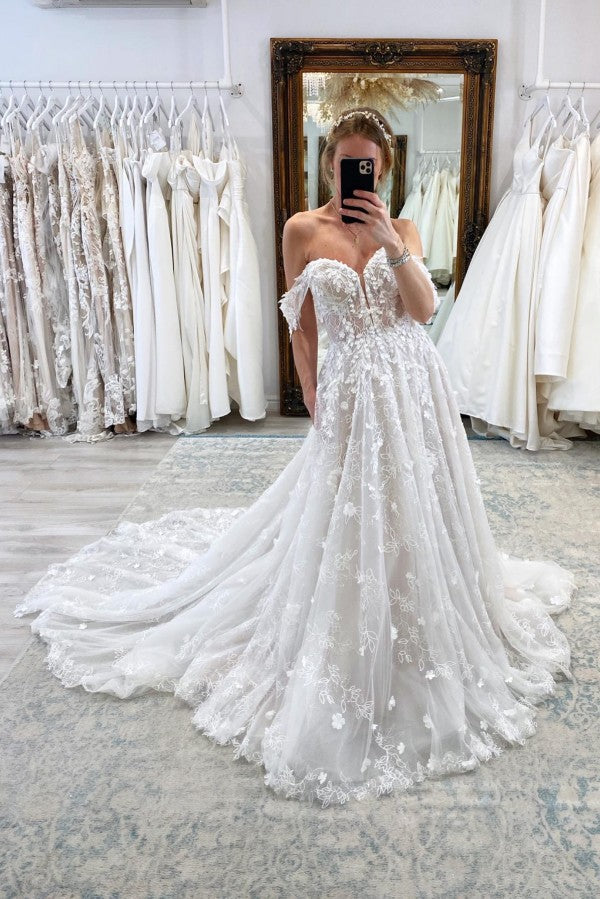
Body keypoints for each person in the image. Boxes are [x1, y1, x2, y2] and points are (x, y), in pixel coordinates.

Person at [15, 107, 574, 809]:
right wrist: (311, 389)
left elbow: (424, 311)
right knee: (346, 499)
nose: (355, 175)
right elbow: (302, 327)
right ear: (328, 164)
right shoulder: (301, 230)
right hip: (350, 385)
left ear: (385, 170)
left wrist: (386, 241)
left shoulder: (401, 228)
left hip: (411, 382)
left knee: (414, 496)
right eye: (344, 163)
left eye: (369, 165)